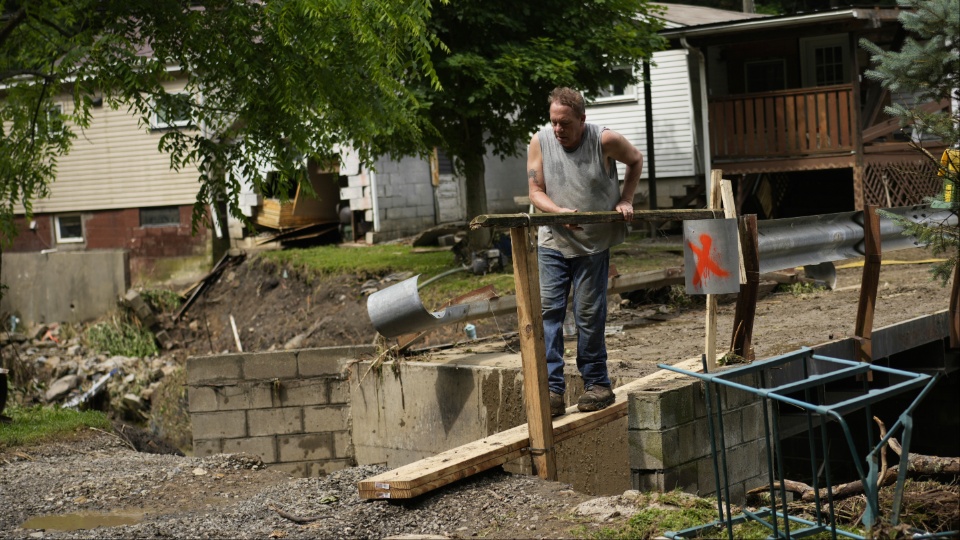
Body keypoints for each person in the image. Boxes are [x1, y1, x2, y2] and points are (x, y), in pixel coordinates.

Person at [526, 87, 643, 416]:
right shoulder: (540, 142)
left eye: (565, 123)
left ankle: (597, 384)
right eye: (554, 123)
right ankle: (552, 391)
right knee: (550, 313)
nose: (558, 130)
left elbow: (636, 160)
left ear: (582, 119)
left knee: (589, 314)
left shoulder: (603, 140)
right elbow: (535, 191)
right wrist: (558, 212)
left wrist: (626, 199)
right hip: (553, 242)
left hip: (593, 243)